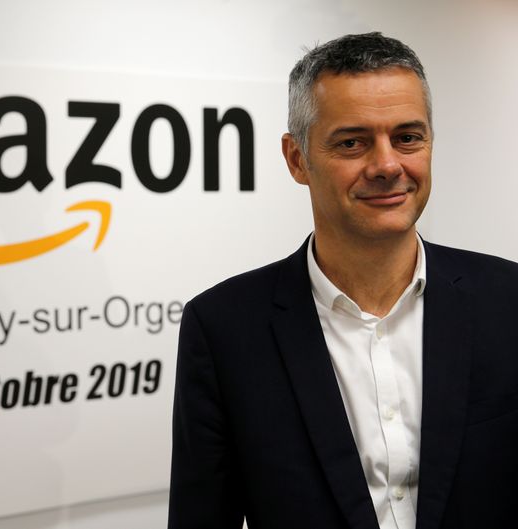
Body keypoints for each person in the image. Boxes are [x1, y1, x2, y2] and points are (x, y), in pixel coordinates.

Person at [168, 32, 518, 529]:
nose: (387, 165)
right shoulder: (224, 329)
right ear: (297, 160)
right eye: (352, 142)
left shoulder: (507, 300)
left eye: (407, 137)